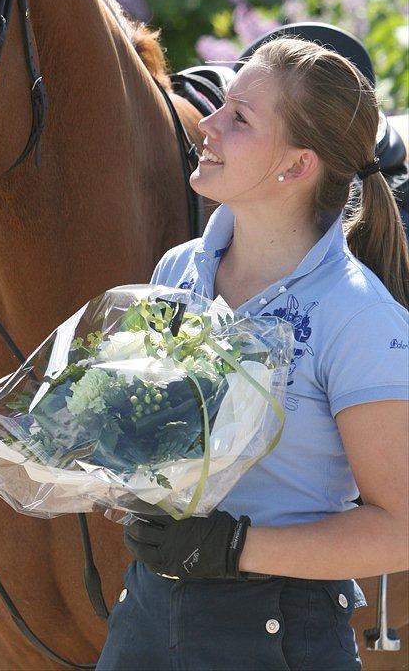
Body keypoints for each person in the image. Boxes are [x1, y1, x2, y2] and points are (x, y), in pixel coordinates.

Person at [97, 37, 409, 671]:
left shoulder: (359, 316)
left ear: (296, 166)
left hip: (281, 639)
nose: (206, 124)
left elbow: (399, 528)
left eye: (238, 117)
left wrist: (233, 547)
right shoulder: (178, 267)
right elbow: (157, 429)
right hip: (146, 620)